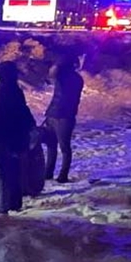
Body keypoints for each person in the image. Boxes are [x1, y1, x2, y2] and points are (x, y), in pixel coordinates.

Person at [0, 61, 35, 213]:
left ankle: (2, 206)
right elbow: (23, 112)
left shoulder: (1, 92)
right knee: (13, 170)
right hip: (15, 138)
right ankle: (14, 202)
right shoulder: (16, 90)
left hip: (1, 137)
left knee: (1, 172)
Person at [44, 53, 84, 183]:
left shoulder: (63, 77)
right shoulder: (77, 78)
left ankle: (51, 173)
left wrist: (58, 63)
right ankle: (61, 175)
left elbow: (52, 73)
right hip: (64, 115)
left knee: (56, 146)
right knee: (63, 147)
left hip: (57, 114)